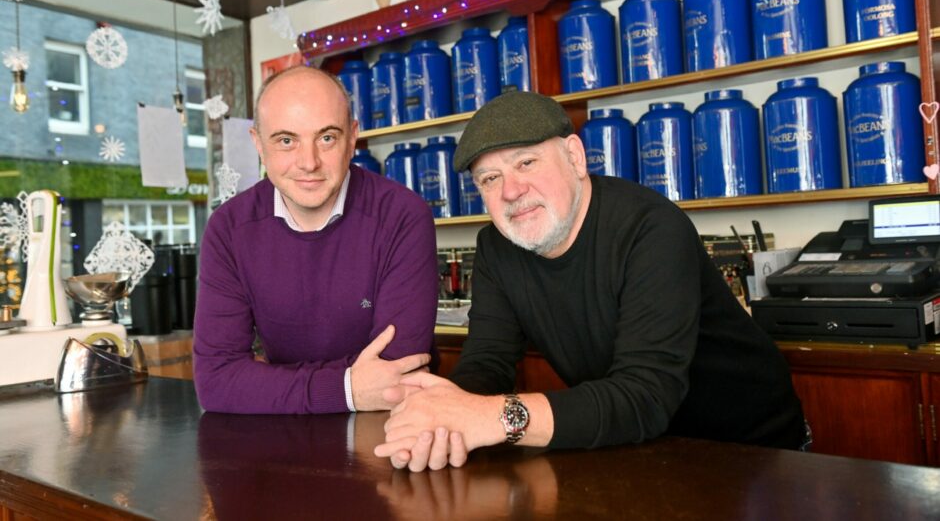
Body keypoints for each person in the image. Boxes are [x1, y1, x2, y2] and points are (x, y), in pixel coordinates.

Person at [375, 91, 806, 471]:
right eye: (490, 178)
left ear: (575, 158)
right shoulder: (496, 248)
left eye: (526, 162)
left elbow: (645, 395)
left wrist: (487, 418)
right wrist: (442, 416)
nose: (510, 191)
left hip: (754, 455)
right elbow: (488, 363)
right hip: (640, 451)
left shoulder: (650, 227)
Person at [194, 66, 438, 414]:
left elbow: (395, 378)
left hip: (387, 433)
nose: (308, 163)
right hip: (277, 442)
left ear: (352, 138)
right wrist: (348, 388)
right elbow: (216, 383)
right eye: (286, 141)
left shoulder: (402, 216)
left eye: (327, 138)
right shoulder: (228, 229)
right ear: (258, 144)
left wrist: (265, 381)